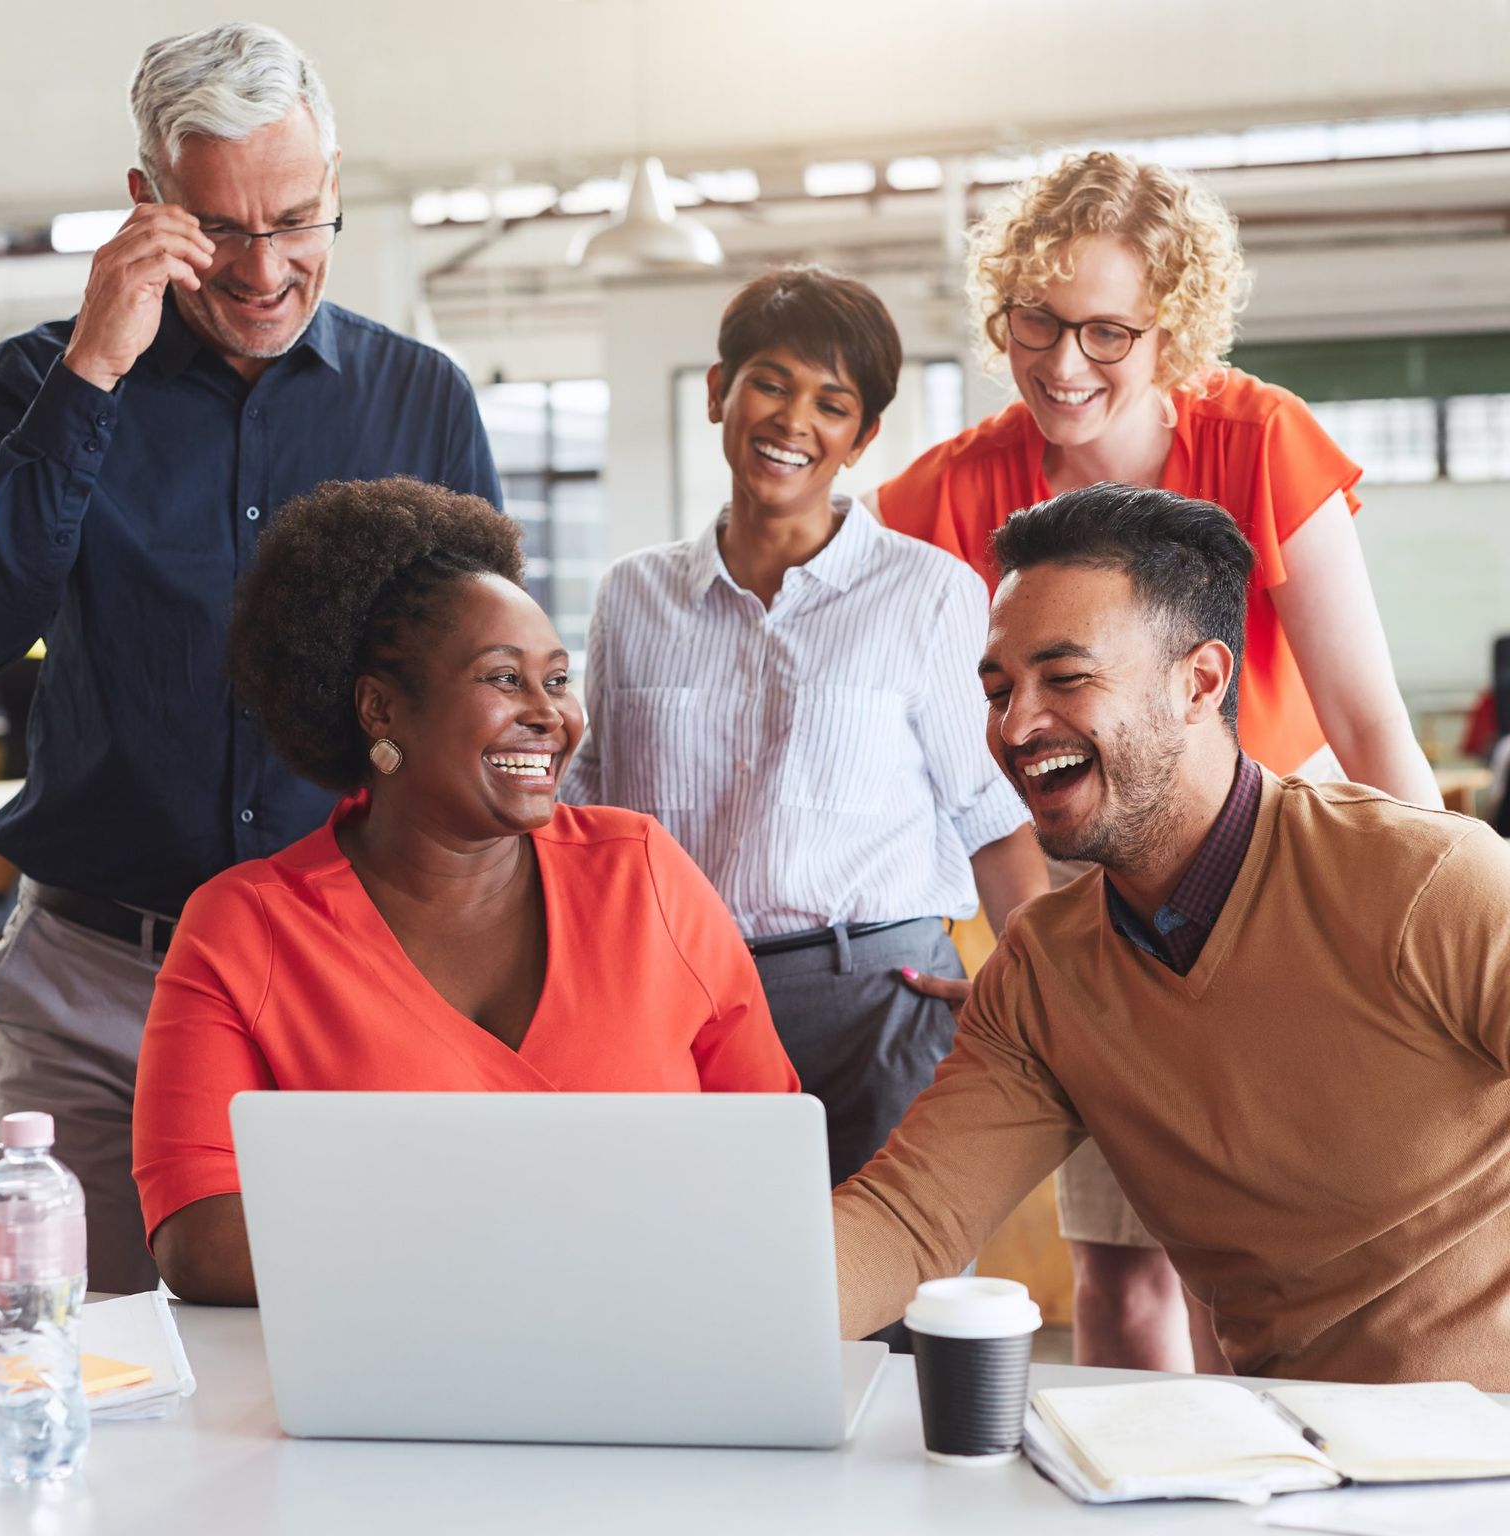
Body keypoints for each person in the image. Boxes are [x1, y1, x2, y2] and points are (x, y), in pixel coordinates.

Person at [874, 151, 1441, 1371]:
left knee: (1241, 1273)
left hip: (1272, 867)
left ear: (1173, 324)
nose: (1062, 362)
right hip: (1079, 885)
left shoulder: (1261, 442)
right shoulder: (945, 490)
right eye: (1036, 320)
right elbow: (908, 727)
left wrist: (1432, 919)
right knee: (1118, 1280)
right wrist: (987, 937)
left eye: (1107, 331)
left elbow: (1371, 727)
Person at [0, 24, 501, 1292]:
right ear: (148, 203)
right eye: (222, 230)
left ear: (334, 187)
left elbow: (484, 694)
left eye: (300, 222)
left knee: (346, 1363)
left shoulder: (418, 397)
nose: (266, 271)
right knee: (81, 1373)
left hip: (350, 972)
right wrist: (98, 368)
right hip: (101, 983)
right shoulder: (35, 383)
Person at [834, 482, 1510, 1389]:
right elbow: (912, 1220)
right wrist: (675, 1324)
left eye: (1065, 678)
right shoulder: (1044, 971)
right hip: (1287, 1461)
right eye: (998, 689)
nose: (1016, 726)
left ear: (1201, 682)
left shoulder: (1432, 882)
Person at [133, 478, 798, 1306]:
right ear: (381, 708)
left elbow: (771, 1155)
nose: (549, 715)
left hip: (653, 1357)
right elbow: (202, 1238)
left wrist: (403, 1230)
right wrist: (568, 1239)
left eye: (556, 680)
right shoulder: (246, 926)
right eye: (503, 679)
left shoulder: (642, 872)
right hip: (374, 1402)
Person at [561, 266, 1047, 1231]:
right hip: (678, 1006)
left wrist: (1031, 998)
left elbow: (993, 820)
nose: (794, 421)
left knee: (895, 1309)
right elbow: (592, 814)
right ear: (718, 392)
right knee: (696, 1294)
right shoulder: (634, 597)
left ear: (862, 439)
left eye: (834, 403)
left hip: (875, 1004)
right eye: (771, 383)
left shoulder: (932, 595)